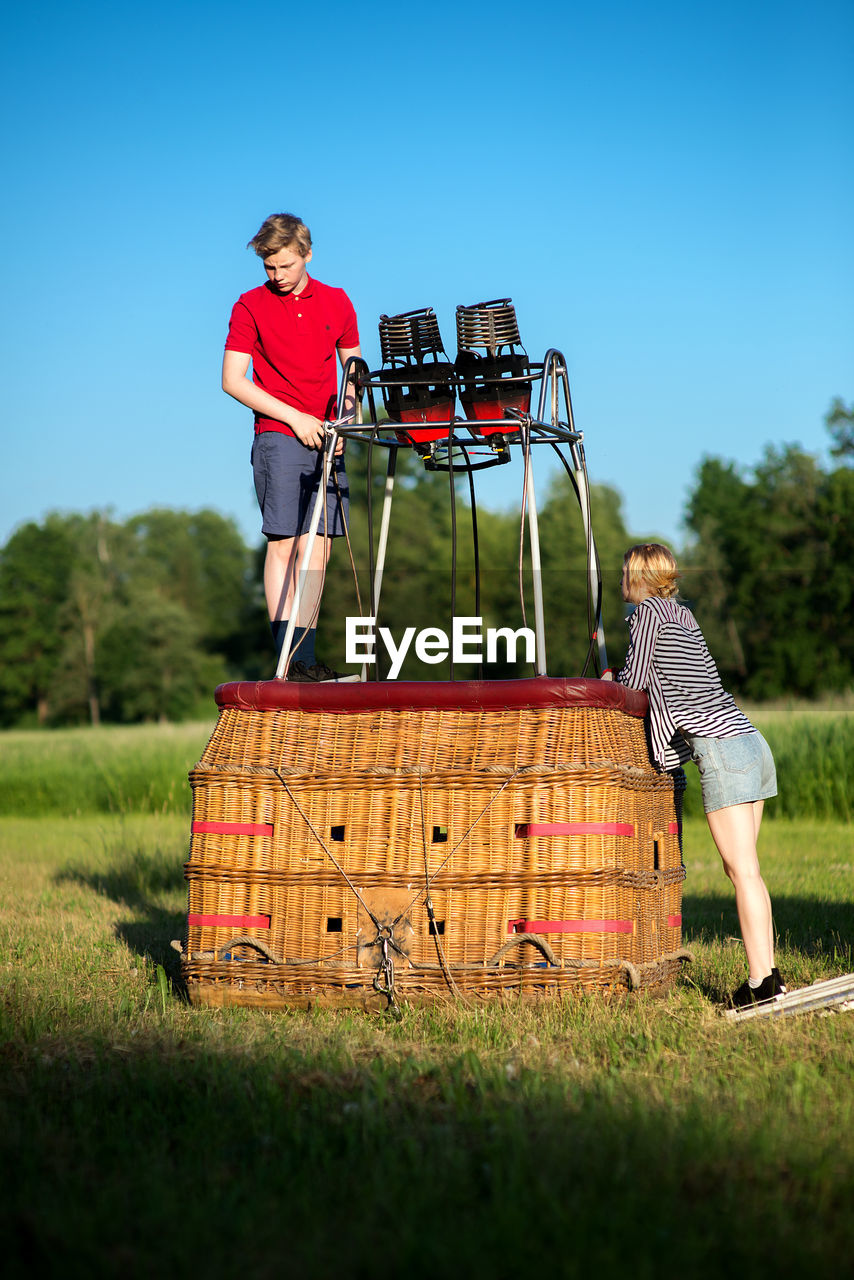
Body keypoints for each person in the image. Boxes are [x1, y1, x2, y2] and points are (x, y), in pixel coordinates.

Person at [604, 543, 786, 1009]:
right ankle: (769, 977)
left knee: (742, 871)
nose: (620, 578)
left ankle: (760, 983)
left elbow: (635, 682)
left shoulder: (646, 615)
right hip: (751, 742)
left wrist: (608, 684)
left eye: (625, 571)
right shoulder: (684, 616)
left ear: (641, 577)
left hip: (722, 750)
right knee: (744, 870)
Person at [222, 212, 361, 682]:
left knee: (318, 548)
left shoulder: (338, 302)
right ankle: (287, 660)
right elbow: (232, 381)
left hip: (328, 437)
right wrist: (295, 418)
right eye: (268, 267)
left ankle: (304, 658)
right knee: (285, 544)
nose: (275, 276)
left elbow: (352, 371)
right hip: (279, 434)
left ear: (307, 255)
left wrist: (346, 418)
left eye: (284, 265)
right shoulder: (249, 306)